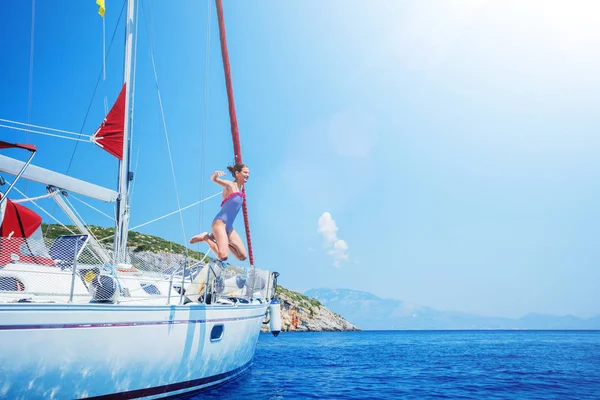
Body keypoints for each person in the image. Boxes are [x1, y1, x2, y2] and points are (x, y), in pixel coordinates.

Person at [190, 163, 249, 262]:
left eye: (248, 173)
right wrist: (215, 175)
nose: (248, 175)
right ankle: (206, 237)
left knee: (242, 256)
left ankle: (220, 238)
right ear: (237, 173)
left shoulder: (241, 189)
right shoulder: (230, 185)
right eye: (245, 172)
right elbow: (214, 179)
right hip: (220, 223)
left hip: (229, 227)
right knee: (223, 256)